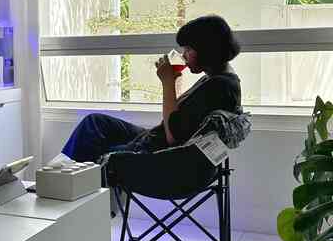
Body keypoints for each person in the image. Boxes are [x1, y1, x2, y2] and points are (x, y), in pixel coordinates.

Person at [60, 14, 242, 162]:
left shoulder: (219, 87)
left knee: (89, 150)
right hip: (153, 139)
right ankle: (61, 178)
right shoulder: (219, 79)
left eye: (188, 49)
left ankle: (61, 184)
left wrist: (167, 83)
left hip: (157, 156)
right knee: (95, 123)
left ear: (206, 49)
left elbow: (174, 138)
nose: (184, 55)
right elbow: (183, 119)